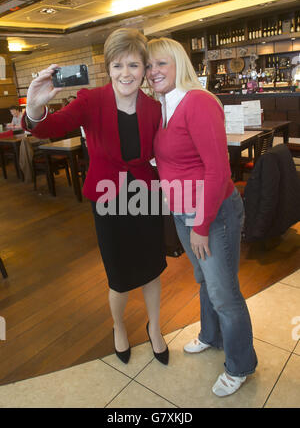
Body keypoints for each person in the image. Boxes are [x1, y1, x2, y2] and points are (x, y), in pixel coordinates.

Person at [21, 28, 169, 365]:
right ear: (108, 68)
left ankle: (155, 328)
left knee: (152, 268)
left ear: (144, 68)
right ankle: (119, 327)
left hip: (145, 196)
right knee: (118, 274)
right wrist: (33, 106)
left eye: (133, 65)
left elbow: (164, 150)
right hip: (107, 198)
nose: (125, 74)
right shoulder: (91, 100)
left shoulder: (153, 108)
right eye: (117, 66)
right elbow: (46, 128)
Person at [146, 37, 257, 396]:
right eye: (149, 65)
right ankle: (211, 336)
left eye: (161, 63)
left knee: (225, 292)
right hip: (182, 210)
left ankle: (240, 364)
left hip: (211, 213)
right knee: (205, 281)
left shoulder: (198, 102)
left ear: (179, 62)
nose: (153, 71)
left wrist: (201, 225)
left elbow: (217, 170)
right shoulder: (163, 105)